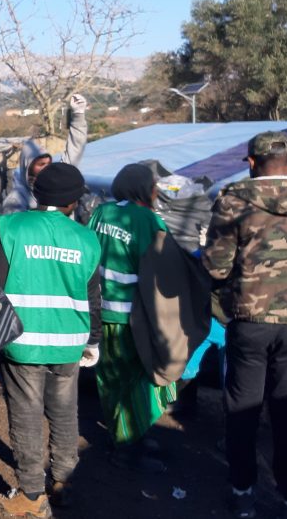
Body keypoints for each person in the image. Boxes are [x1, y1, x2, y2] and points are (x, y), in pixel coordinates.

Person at [0, 163, 103, 518]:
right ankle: (64, 481)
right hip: (70, 343)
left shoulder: (12, 227)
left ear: (37, 194)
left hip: (22, 341)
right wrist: (93, 341)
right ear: (72, 202)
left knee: (25, 413)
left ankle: (32, 495)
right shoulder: (86, 238)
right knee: (65, 412)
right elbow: (93, 296)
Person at [203, 131, 287, 519]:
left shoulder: (234, 200)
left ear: (252, 162)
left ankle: (243, 493)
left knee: (243, 409)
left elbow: (217, 267)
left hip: (250, 321)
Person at [88, 163, 176, 472]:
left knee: (110, 379)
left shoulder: (100, 213)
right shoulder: (148, 220)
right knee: (138, 381)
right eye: (154, 186)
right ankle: (127, 449)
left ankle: (127, 435)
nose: (156, 192)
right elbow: (163, 269)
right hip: (132, 318)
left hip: (100, 313)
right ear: (144, 189)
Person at [0, 94, 88, 216]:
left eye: (48, 163)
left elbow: (75, 148)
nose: (46, 168)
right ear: (28, 167)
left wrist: (78, 115)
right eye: (41, 164)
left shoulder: (58, 183)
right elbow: (17, 232)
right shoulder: (16, 200)